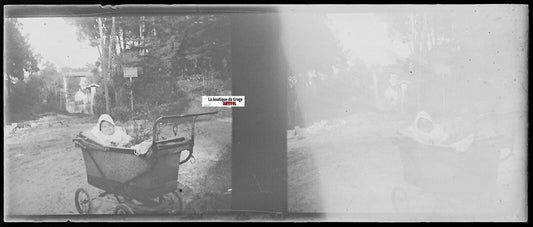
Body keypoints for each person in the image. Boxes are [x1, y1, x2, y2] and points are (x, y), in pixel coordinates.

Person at [402, 111, 474, 153]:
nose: (425, 125)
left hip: (441, 148)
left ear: (430, 123)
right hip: (428, 150)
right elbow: (408, 133)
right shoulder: (415, 132)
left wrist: (442, 140)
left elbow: (443, 137)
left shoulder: (436, 130)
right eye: (422, 124)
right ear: (418, 124)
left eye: (427, 123)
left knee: (455, 143)